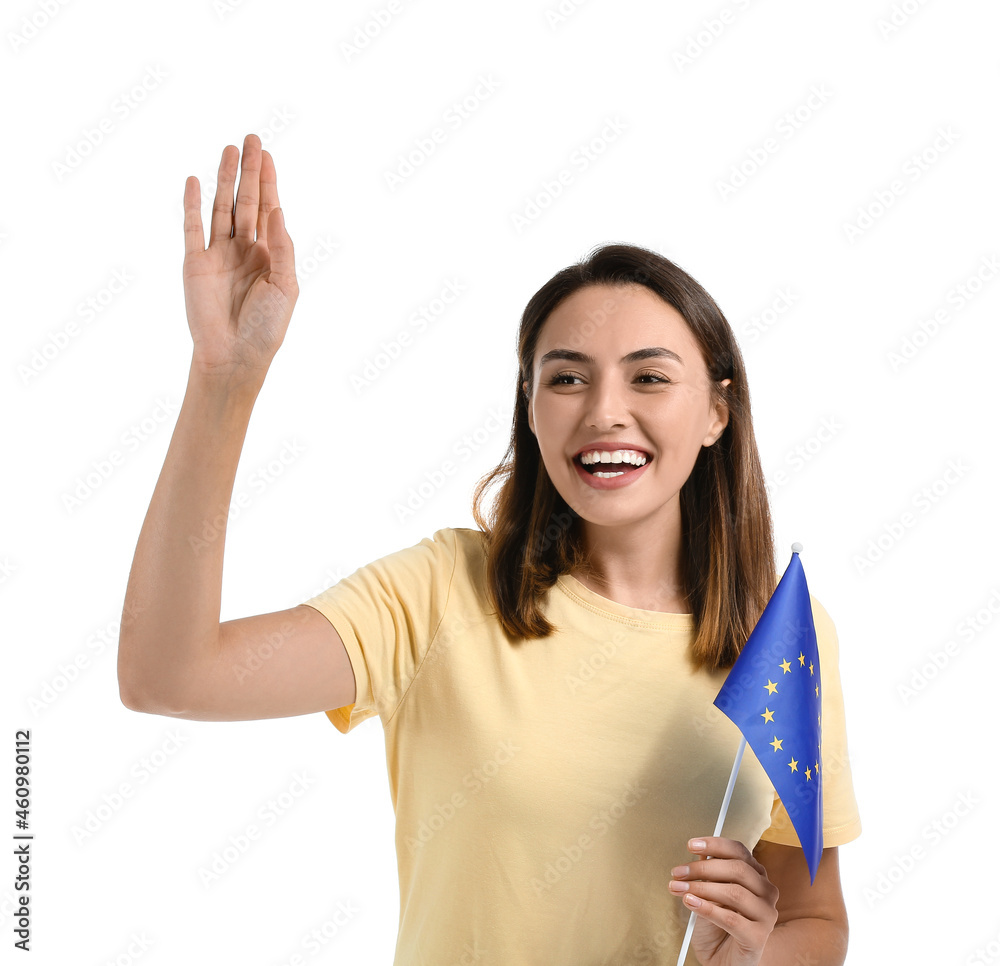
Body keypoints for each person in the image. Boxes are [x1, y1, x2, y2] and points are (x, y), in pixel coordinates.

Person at [118, 133, 861, 966]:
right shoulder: (440, 593)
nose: (604, 411)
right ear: (531, 407)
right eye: (567, 377)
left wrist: (753, 956)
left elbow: (815, 920)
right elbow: (168, 676)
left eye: (649, 377)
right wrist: (225, 379)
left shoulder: (784, 636)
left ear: (718, 412)